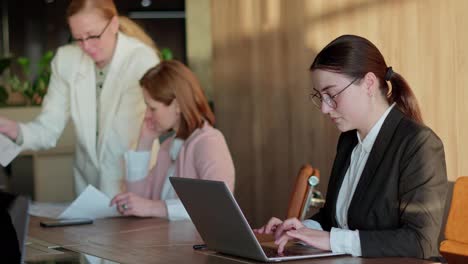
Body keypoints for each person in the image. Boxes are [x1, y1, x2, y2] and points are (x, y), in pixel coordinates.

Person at [255, 35, 448, 259]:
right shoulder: (348, 140)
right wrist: (302, 230)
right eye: (321, 96)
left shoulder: (419, 144)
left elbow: (420, 242)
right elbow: (336, 219)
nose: (325, 109)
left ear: (368, 83)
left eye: (332, 94)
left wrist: (331, 240)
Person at [0, 0, 160, 197]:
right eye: (78, 38)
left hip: (135, 184)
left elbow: (119, 142)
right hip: (89, 189)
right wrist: (14, 129)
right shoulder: (66, 60)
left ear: (114, 24)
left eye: (93, 36)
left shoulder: (141, 59)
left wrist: (111, 201)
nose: (86, 46)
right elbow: (48, 128)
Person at [110, 60, 235, 221]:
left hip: (193, 245)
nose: (147, 115)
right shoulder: (168, 146)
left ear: (177, 105)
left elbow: (217, 205)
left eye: (152, 108)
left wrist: (152, 207)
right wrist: (144, 142)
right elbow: (137, 203)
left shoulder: (209, 141)